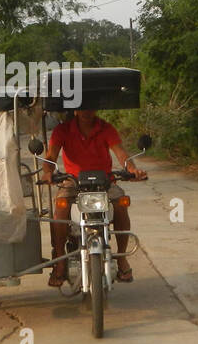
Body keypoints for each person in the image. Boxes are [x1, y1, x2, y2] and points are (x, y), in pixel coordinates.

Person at [38, 109, 146, 286]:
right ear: (75, 109)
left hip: (105, 181)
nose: (87, 111)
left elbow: (121, 153)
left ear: (96, 108)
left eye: (90, 106)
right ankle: (59, 261)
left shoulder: (106, 128)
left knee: (120, 203)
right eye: (82, 107)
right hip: (73, 182)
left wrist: (132, 169)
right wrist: (48, 172)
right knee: (59, 210)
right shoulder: (62, 130)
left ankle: (121, 258)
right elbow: (50, 155)